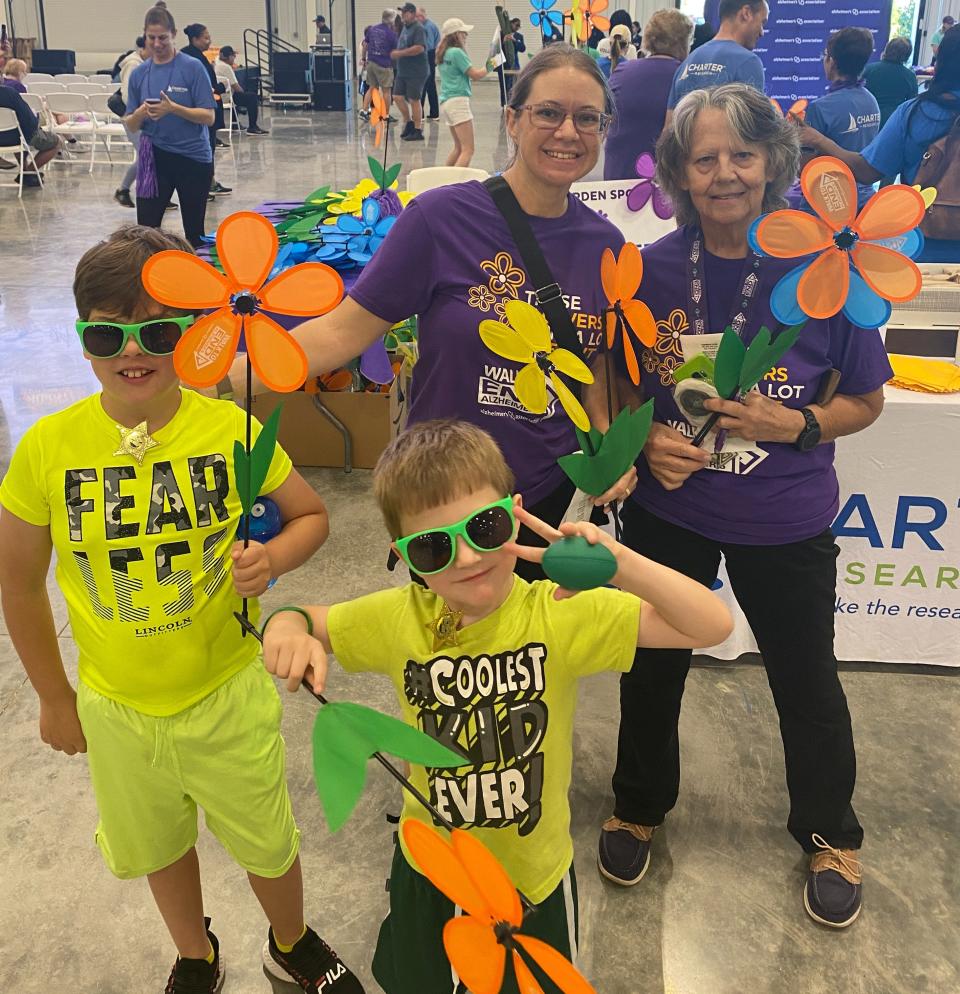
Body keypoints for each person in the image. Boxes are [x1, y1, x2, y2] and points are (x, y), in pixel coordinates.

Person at [0, 225, 364, 994]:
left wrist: (273, 558)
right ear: (83, 338)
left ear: (193, 334)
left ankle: (290, 942)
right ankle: (194, 953)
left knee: (269, 842)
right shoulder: (47, 449)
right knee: (160, 844)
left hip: (223, 694)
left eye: (157, 331)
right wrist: (53, 696)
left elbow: (309, 517)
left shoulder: (228, 429)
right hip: (116, 709)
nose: (133, 352)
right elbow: (20, 583)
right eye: (107, 332)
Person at [262, 419, 734, 994]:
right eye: (434, 547)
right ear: (403, 556)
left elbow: (710, 625)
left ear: (514, 512)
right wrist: (286, 628)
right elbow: (304, 617)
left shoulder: (557, 614)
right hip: (432, 868)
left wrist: (618, 562)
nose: (465, 559)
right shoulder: (397, 618)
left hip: (531, 879)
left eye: (484, 528)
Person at [598, 83, 892, 931]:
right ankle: (638, 804)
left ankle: (831, 833)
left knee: (807, 684)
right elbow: (621, 382)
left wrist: (796, 420)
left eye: (742, 155)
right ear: (681, 175)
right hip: (671, 509)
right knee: (650, 671)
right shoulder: (647, 270)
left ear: (772, 164)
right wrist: (644, 437)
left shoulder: (824, 274)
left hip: (784, 517)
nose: (724, 173)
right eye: (704, 158)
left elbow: (866, 400)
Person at [221, 45, 637, 567]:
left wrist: (606, 444)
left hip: (546, 498)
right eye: (548, 112)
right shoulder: (441, 220)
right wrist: (220, 381)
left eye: (587, 118)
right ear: (512, 119)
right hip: (444, 499)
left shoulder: (606, 243)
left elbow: (591, 357)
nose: (568, 132)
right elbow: (339, 334)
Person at [800, 24, 960, 261]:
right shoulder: (871, 100)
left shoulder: (916, 114)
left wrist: (819, 140)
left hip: (921, 250)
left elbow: (866, 171)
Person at [124, 6, 216, 247]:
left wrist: (173, 108)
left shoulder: (192, 67)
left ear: (173, 34)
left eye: (162, 37)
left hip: (192, 158)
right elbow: (130, 124)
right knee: (145, 233)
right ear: (144, 35)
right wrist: (140, 113)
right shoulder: (139, 74)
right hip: (152, 156)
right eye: (151, 37)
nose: (156, 43)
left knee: (194, 233)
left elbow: (208, 117)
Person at [604, 9, 693, 178]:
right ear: (683, 42)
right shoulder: (686, 77)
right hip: (665, 183)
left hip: (617, 178)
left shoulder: (621, 71)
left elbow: (605, 117)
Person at [802, 27, 881, 211]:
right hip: (864, 203)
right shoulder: (871, 101)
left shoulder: (820, 108)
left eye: (825, 55)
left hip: (827, 204)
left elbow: (804, 168)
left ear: (832, 61)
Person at [665, 0, 767, 126]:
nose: (762, 32)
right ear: (746, 13)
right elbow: (755, 131)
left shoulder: (688, 61)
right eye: (762, 22)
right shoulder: (749, 62)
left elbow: (669, 130)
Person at [181, 23, 231, 195]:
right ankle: (202, 186)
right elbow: (200, 86)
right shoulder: (191, 58)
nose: (209, 41)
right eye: (206, 37)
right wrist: (220, 88)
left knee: (208, 148)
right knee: (204, 149)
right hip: (200, 111)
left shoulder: (196, 56)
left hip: (206, 108)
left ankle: (209, 182)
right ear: (195, 39)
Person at [436, 18, 488, 166]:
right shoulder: (457, 53)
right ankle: (455, 185)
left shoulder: (443, 53)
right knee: (468, 150)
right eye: (464, 33)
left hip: (447, 102)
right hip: (458, 102)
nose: (466, 36)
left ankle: (445, 181)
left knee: (458, 148)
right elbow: (476, 75)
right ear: (456, 34)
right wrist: (492, 64)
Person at [0, 82, 61, 187]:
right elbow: (29, 121)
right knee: (57, 142)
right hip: (15, 138)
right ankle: (29, 172)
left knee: (20, 136)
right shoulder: (9, 94)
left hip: (8, 137)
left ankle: (25, 169)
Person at [114, 37, 148, 208]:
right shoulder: (133, 64)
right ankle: (125, 190)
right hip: (134, 118)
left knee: (147, 156)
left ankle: (125, 190)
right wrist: (139, 112)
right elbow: (128, 95)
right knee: (146, 156)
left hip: (144, 118)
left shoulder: (145, 63)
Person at [391, 3, 428, 141]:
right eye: (402, 13)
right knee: (397, 96)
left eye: (405, 13)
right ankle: (409, 122)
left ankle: (418, 130)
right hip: (403, 71)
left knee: (414, 100)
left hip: (416, 71)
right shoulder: (405, 28)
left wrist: (400, 53)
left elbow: (419, 48)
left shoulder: (418, 28)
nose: (402, 15)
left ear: (412, 13)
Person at [863, 36, 918, 127]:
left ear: (887, 49)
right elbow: (912, 104)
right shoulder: (910, 76)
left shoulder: (868, 70)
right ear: (907, 56)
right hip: (895, 122)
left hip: (868, 120)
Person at [215, 45, 268, 135]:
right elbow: (236, 86)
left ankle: (235, 124)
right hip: (227, 96)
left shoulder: (217, 62)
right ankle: (252, 127)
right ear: (227, 56)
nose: (234, 59)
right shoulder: (226, 67)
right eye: (233, 56)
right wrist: (244, 94)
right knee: (252, 97)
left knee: (241, 95)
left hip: (220, 95)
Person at [360, 9, 399, 119]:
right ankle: (385, 115)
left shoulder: (372, 29)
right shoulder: (391, 34)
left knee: (372, 87)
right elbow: (395, 51)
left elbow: (365, 45)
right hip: (384, 65)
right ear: (392, 19)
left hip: (371, 63)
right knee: (386, 91)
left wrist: (364, 58)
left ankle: (364, 111)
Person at [417, 7, 441, 120]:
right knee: (430, 85)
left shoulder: (428, 27)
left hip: (427, 56)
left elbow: (429, 45)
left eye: (417, 17)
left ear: (422, 16)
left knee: (422, 85)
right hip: (429, 56)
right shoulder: (425, 26)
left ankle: (419, 113)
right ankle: (434, 113)